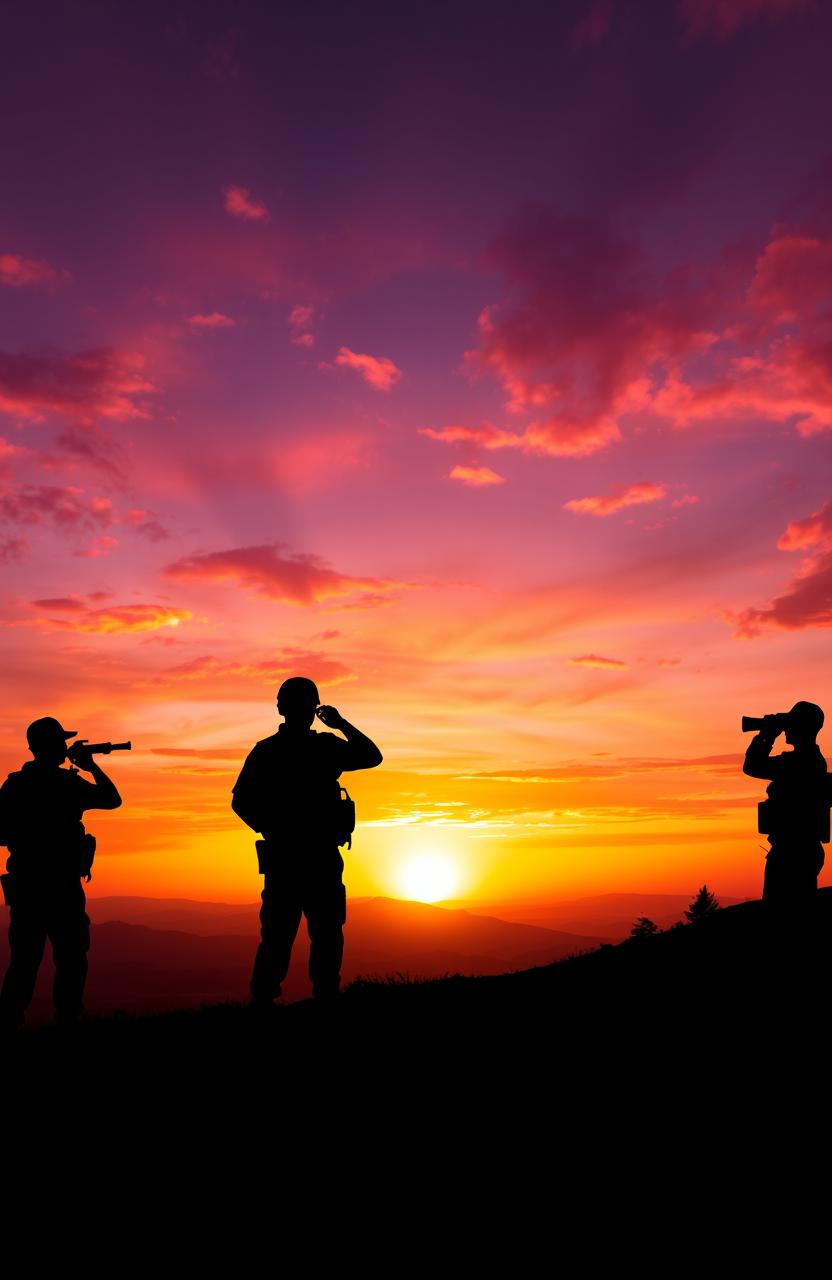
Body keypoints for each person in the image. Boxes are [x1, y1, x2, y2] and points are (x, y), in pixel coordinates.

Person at [232, 677, 382, 1006]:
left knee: (283, 935)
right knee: (315, 934)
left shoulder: (270, 750)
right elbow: (372, 756)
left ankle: (267, 1000)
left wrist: (271, 829)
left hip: (294, 858)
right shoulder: (323, 748)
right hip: (314, 857)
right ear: (314, 709)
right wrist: (341, 723)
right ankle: (320, 996)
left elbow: (240, 802)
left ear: (280, 708)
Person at [0, 717, 122, 1028]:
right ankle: (67, 1021)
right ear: (53, 746)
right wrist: (90, 766)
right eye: (62, 743)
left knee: (24, 961)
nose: (66, 747)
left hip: (27, 886)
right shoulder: (67, 784)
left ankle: (9, 1021)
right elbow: (112, 799)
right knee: (71, 959)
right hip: (63, 887)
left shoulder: (14, 785)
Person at [743, 700, 830, 909]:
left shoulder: (799, 762)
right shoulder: (809, 760)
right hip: (798, 849)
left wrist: (767, 734)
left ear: (802, 727)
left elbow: (753, 765)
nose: (786, 729)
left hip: (793, 851)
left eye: (792, 723)